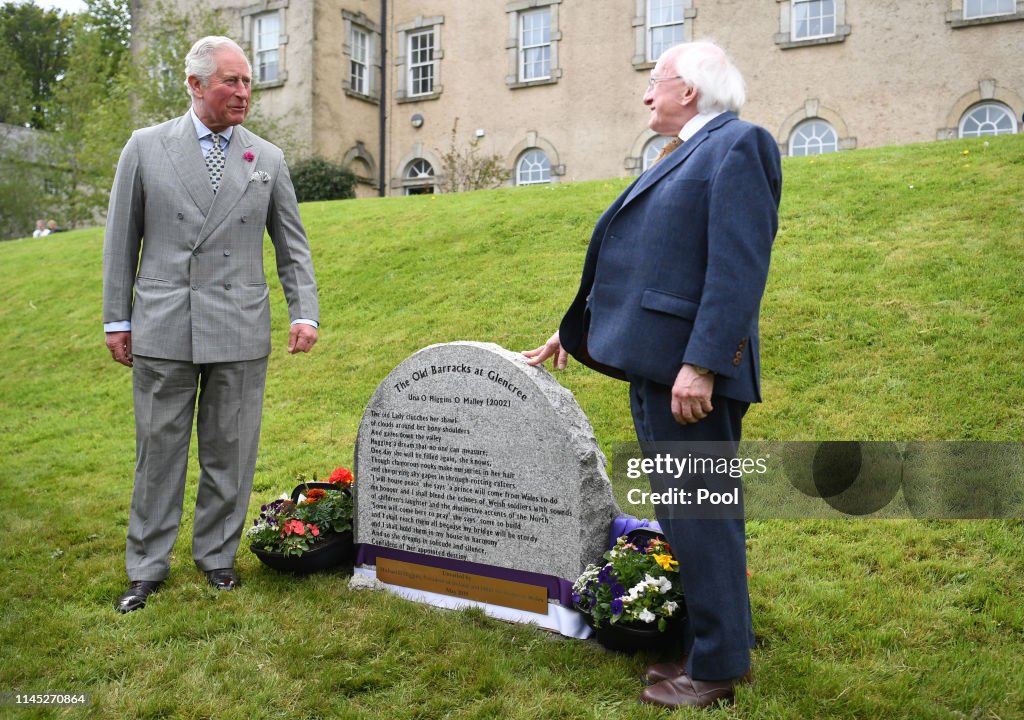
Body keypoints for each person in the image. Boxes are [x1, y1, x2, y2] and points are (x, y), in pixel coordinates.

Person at [524, 41, 781, 709]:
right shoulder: (684, 153)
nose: (646, 95)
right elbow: (651, 261)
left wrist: (701, 364)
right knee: (687, 513)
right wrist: (572, 331)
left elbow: (737, 270)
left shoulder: (738, 146)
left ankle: (720, 668)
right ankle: (706, 642)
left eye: (654, 83)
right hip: (660, 368)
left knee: (703, 515)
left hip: (690, 376)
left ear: (689, 90)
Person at [102, 36, 319, 614]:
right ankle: (146, 567)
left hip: (240, 325)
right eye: (231, 81)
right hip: (163, 324)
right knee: (159, 452)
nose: (244, 92)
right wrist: (116, 319)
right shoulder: (145, 148)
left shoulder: (266, 158)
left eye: (248, 81)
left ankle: (217, 557)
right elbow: (121, 242)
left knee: (232, 449)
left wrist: (305, 311)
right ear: (195, 85)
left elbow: (291, 246)